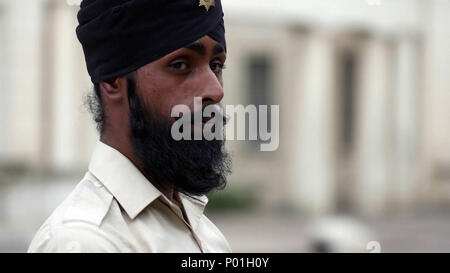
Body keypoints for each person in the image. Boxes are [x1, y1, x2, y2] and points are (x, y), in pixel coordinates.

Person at [28, 0, 232, 253]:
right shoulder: (86, 240)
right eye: (180, 65)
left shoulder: (206, 234)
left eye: (216, 66)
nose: (215, 90)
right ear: (113, 81)